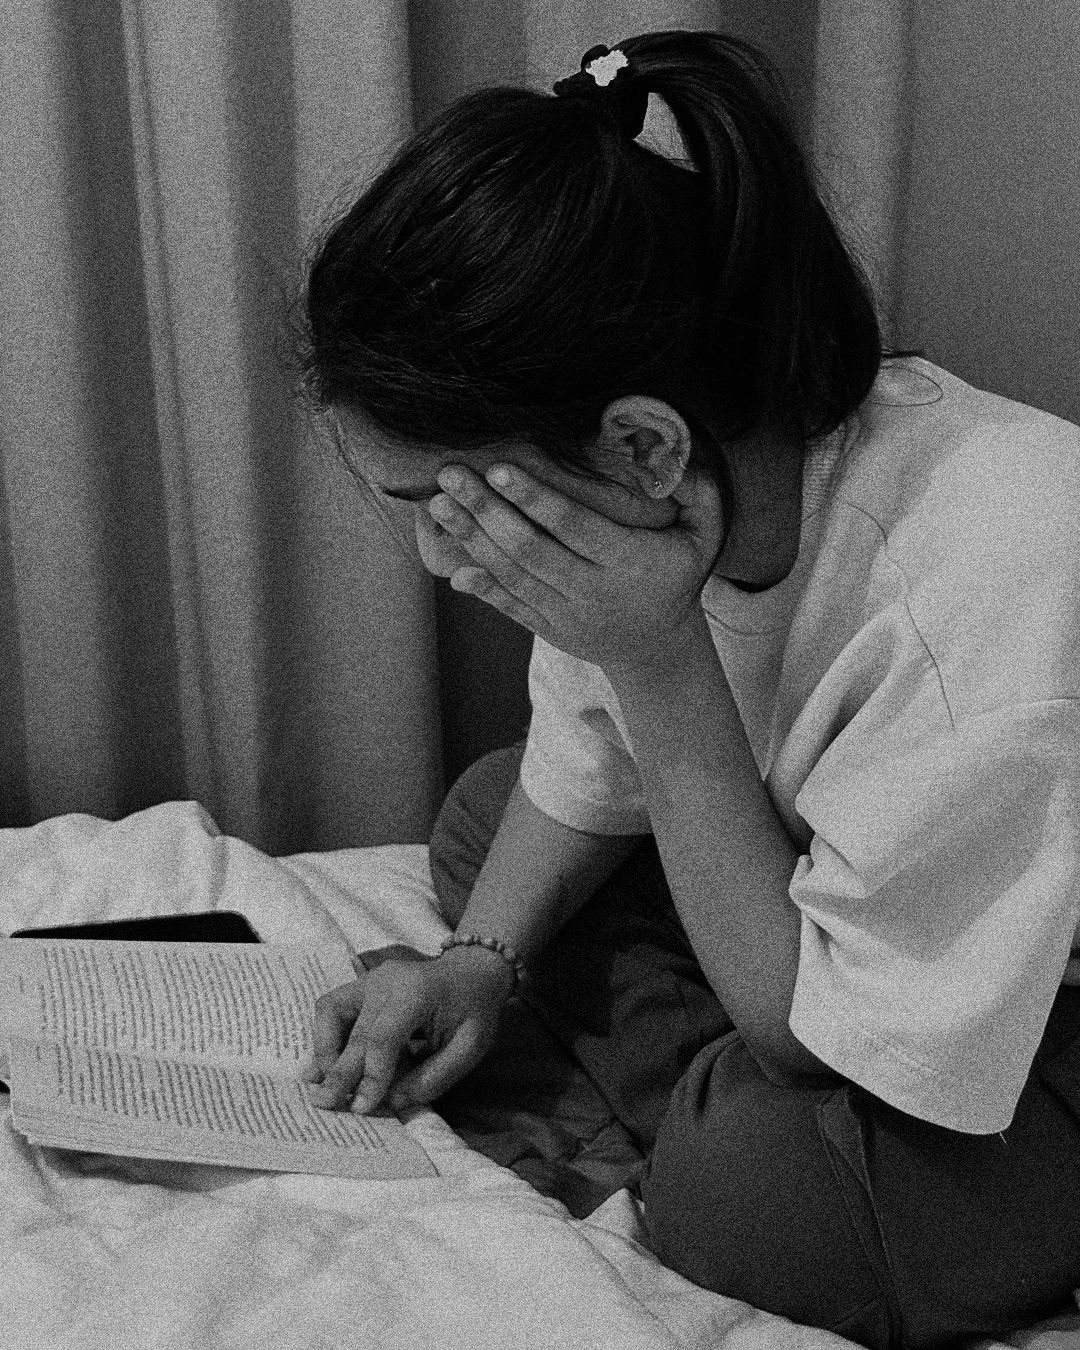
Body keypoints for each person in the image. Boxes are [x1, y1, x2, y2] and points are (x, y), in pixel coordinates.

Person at [298, 29, 1080, 1349]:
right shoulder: (681, 495)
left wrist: (653, 656)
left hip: (1036, 1001)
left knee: (746, 1194)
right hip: (854, 910)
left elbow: (796, 1037)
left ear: (643, 443)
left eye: (445, 503)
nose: (438, 557)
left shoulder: (989, 570)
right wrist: (478, 966)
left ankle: (709, 1120)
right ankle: (699, 1049)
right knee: (491, 821)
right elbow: (581, 760)